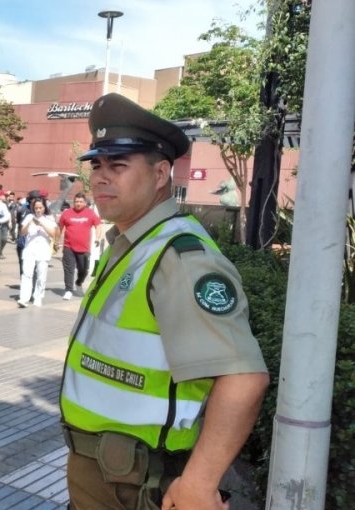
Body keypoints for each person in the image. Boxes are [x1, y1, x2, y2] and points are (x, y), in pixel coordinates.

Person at [60, 93, 269, 510]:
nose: (100, 178)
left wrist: (199, 483)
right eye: (96, 166)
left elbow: (244, 378)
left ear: (160, 174)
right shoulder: (131, 243)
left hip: (140, 484)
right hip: (105, 474)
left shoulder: (179, 258)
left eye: (118, 166)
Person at [57, 192, 103, 300]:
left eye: (80, 202)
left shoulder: (90, 213)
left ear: (85, 203)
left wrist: (97, 238)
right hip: (68, 247)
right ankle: (68, 290)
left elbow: (99, 226)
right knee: (69, 269)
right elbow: (59, 227)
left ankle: (78, 283)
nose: (78, 204)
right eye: (76, 201)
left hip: (84, 248)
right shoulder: (67, 213)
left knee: (84, 270)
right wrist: (56, 241)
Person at [16, 198, 57, 307]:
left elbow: (53, 234)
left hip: (43, 251)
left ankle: (38, 297)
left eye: (40, 208)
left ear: (44, 208)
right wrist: (30, 223)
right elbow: (22, 232)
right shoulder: (29, 217)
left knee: (41, 275)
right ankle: (24, 298)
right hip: (30, 250)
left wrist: (42, 224)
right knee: (27, 274)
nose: (38, 210)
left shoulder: (49, 218)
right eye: (36, 208)